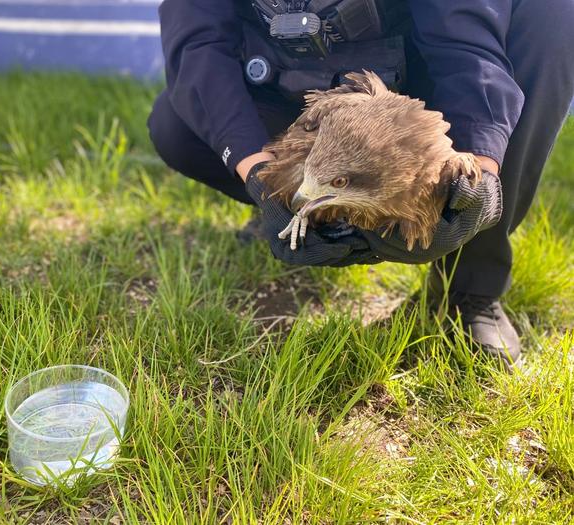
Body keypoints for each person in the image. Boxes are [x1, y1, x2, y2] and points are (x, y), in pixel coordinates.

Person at [147, 0, 574, 372]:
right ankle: (300, 218)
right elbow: (197, 41)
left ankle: (469, 285)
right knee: (178, 124)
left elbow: (464, 40)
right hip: (288, 78)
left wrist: (477, 172)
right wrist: (261, 176)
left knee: (551, 14)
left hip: (420, 70)